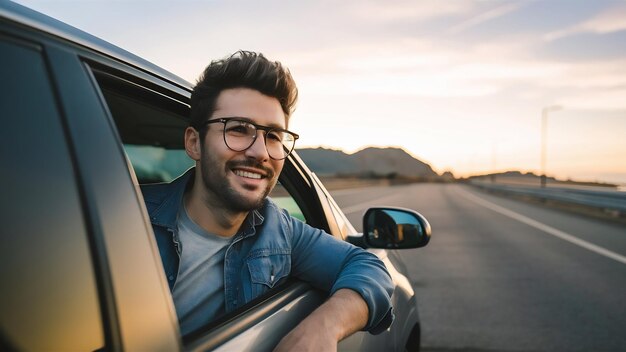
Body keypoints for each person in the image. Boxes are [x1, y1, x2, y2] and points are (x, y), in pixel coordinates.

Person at [141, 50, 394, 350]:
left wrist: (325, 325)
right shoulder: (126, 214)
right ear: (194, 142)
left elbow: (368, 266)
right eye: (238, 129)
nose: (260, 152)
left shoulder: (280, 232)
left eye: (273, 136)